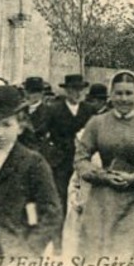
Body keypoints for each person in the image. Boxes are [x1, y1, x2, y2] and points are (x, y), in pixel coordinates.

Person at [74, 70, 134, 261]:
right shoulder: (97, 123)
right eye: (119, 93)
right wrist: (102, 175)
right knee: (98, 258)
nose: (123, 99)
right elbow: (80, 159)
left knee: (131, 260)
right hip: (102, 201)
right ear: (111, 95)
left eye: (129, 93)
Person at [0, 85, 62, 259]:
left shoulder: (34, 163)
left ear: (20, 127)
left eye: (7, 125)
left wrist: (31, 248)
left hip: (19, 250)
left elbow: (52, 213)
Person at [44, 73, 92, 210]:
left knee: (81, 195)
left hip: (82, 160)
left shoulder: (89, 110)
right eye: (73, 90)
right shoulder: (54, 110)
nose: (77, 93)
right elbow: (43, 134)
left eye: (80, 90)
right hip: (61, 160)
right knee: (60, 195)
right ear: (66, 91)